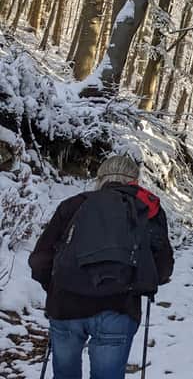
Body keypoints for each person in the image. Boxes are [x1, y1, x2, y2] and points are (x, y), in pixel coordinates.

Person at [28, 155, 174, 379]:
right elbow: (162, 270)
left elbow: (39, 261)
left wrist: (56, 285)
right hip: (118, 308)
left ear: (100, 178)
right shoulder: (145, 209)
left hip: (65, 305)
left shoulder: (73, 205)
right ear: (134, 181)